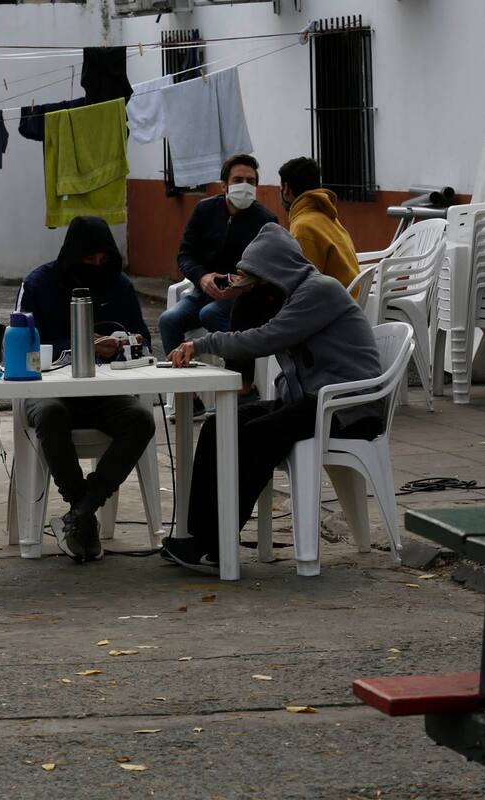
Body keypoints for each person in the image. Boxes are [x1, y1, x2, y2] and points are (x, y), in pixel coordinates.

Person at [159, 223, 384, 575]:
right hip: (312, 400)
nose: (258, 289)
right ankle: (197, 536)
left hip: (347, 407)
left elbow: (265, 339)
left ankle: (217, 545)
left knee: (255, 436)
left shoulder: (319, 291)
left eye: (260, 280)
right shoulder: (293, 294)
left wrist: (202, 344)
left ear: (277, 271)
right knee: (219, 425)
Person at [16, 216, 156, 563]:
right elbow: (23, 346)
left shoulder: (118, 286)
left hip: (103, 392)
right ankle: (83, 511)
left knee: (141, 419)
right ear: (72, 256)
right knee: (51, 413)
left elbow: (144, 342)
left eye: (103, 260)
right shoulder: (38, 285)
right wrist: (80, 345)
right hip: (49, 391)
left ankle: (81, 512)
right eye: (88, 260)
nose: (96, 267)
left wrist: (123, 343)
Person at [157, 154, 276, 356]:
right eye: (238, 180)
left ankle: (241, 366)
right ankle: (180, 373)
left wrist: (243, 285)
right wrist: (202, 278)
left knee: (210, 314)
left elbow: (271, 270)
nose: (245, 186)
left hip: (242, 299)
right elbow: (185, 255)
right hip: (203, 292)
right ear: (224, 186)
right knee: (168, 320)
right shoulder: (204, 210)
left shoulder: (266, 221)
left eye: (251, 181)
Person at [278, 157, 359, 289]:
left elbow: (304, 285)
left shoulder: (303, 227)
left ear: (286, 188)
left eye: (281, 187)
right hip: (350, 296)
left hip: (334, 300)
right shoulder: (328, 216)